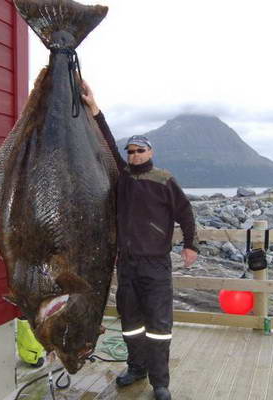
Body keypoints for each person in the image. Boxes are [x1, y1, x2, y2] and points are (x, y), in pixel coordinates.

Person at [81, 81, 198, 400]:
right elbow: (105, 141)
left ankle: (161, 383)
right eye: (130, 151)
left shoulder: (164, 180)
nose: (133, 155)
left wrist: (191, 244)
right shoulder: (122, 178)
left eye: (140, 150)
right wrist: (95, 109)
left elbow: (186, 212)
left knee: (160, 327)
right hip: (128, 267)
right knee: (131, 323)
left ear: (150, 152)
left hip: (156, 267)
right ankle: (136, 368)